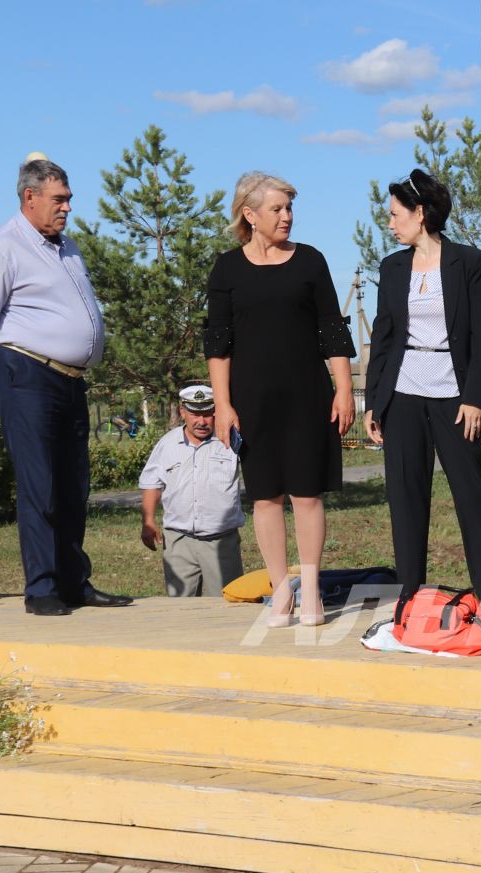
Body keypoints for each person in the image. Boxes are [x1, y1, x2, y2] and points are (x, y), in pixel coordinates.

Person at [0, 156, 129, 616]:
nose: (67, 208)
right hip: (24, 372)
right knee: (41, 484)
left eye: (69, 199)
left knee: (74, 485)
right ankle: (42, 589)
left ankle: (75, 583)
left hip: (69, 379)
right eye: (59, 199)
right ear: (29, 198)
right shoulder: (1, 248)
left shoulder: (66, 246)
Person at [204, 172, 357, 627]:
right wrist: (223, 404)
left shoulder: (310, 261)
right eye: (278, 209)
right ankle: (281, 591)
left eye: (290, 208)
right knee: (266, 497)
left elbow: (332, 328)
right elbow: (218, 344)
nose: (287, 217)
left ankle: (310, 590)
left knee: (306, 495)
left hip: (309, 395)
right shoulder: (226, 269)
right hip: (251, 400)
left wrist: (345, 388)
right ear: (250, 215)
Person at [363, 169, 481, 601]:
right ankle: (409, 599)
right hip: (401, 396)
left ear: (420, 214)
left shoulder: (470, 262)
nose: (389, 222)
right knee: (405, 499)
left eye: (395, 214)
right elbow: (383, 335)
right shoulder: (392, 266)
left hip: (455, 397)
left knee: (472, 498)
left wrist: (476, 398)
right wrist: (374, 403)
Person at [139, 385, 245, 597]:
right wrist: (148, 520)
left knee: (228, 604)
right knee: (180, 607)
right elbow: (152, 482)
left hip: (221, 541)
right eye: (195, 414)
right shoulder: (167, 444)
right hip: (179, 542)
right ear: (182, 412)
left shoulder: (231, 440)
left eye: (208, 414)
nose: (202, 422)